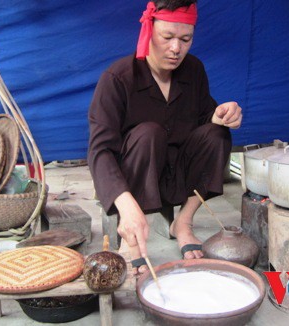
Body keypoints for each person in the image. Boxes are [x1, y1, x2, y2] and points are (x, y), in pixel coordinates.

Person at [87, 0, 242, 275]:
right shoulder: (118, 78)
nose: (176, 49)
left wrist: (222, 116)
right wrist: (125, 205)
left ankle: (182, 222)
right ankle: (130, 236)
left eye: (186, 39)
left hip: (177, 175)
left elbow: (205, 118)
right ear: (149, 30)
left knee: (217, 134)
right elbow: (100, 151)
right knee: (148, 132)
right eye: (167, 37)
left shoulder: (193, 71)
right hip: (135, 179)